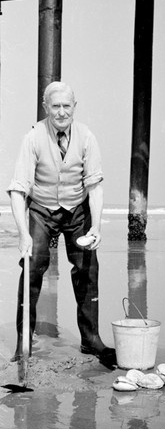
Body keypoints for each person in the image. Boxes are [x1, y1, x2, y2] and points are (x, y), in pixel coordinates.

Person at [7, 81, 116, 368]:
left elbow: (95, 187)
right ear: (45, 108)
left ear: (74, 107)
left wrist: (97, 228)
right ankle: (23, 341)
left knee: (88, 268)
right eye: (55, 106)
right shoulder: (32, 138)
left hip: (77, 208)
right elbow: (18, 191)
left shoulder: (87, 136)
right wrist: (22, 234)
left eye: (67, 106)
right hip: (41, 209)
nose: (61, 112)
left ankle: (90, 338)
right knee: (33, 266)